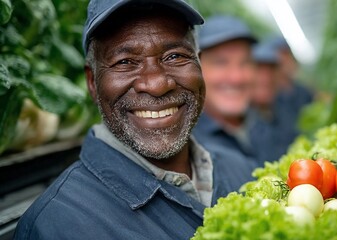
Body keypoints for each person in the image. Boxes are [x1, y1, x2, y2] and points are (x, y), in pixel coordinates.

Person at [13, 1, 254, 239]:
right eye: (125, 62)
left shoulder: (243, 171)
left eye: (174, 56)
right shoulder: (58, 227)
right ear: (92, 83)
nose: (157, 84)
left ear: (199, 64)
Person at [192, 15, 276, 167]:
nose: (236, 78)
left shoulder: (265, 125)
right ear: (196, 68)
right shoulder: (188, 147)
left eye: (245, 63)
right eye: (221, 63)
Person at [251, 39, 298, 159]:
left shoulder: (284, 111)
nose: (266, 79)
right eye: (259, 70)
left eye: (271, 71)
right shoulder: (240, 122)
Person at [271, 36, 314, 122]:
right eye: (282, 56)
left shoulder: (303, 91)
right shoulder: (270, 97)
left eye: (288, 55)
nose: (285, 61)